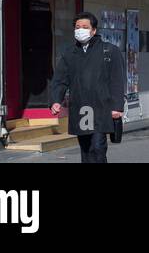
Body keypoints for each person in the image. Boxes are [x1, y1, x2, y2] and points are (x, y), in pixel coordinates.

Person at [50, 11, 125, 164]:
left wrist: (117, 106)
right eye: (77, 27)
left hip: (101, 107)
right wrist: (56, 100)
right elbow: (60, 79)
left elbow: (117, 80)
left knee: (98, 146)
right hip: (80, 107)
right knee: (85, 149)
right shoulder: (69, 54)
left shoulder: (109, 51)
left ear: (94, 30)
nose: (80, 30)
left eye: (85, 26)